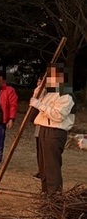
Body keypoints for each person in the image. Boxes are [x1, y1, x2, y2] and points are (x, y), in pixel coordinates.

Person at [29, 63, 75, 195]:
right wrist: (39, 90)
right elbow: (35, 104)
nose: (48, 79)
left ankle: (54, 193)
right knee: (43, 164)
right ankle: (45, 191)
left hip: (55, 131)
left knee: (51, 165)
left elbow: (58, 115)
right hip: (43, 129)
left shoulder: (66, 95)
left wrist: (40, 105)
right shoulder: (50, 92)